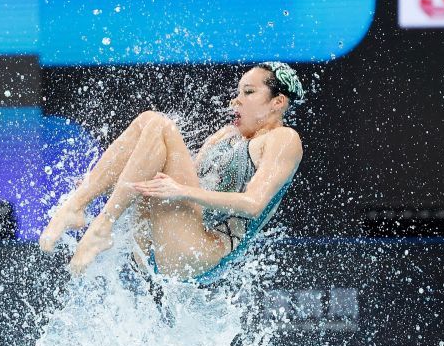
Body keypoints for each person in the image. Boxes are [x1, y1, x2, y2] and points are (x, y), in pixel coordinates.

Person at [39, 62, 304, 285]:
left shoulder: (283, 139)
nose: (235, 100)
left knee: (161, 125)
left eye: (248, 92)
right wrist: (106, 181)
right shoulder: (225, 135)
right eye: (237, 92)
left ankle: (102, 224)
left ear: (277, 102)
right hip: (163, 242)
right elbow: (168, 170)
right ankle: (78, 203)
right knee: (149, 122)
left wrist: (181, 191)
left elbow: (254, 204)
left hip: (201, 255)